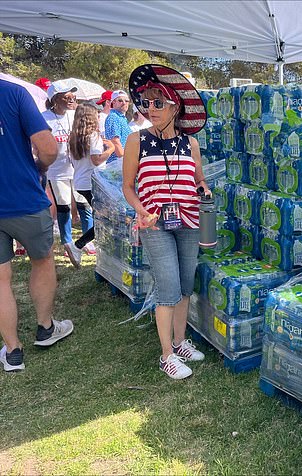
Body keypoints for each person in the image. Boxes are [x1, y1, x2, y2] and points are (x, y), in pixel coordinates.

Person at [123, 64, 210, 380]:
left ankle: (179, 341)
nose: (150, 109)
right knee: (168, 287)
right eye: (146, 102)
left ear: (176, 107)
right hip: (154, 224)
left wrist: (204, 187)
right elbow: (128, 187)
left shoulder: (191, 144)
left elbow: (199, 177)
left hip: (188, 220)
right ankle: (166, 356)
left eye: (158, 103)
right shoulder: (137, 140)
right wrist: (140, 210)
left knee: (185, 285)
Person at [0, 79, 74, 372]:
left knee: (1, 279)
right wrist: (39, 168)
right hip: (24, 198)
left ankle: (12, 349)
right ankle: (45, 327)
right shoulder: (13, 93)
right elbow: (48, 149)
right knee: (42, 261)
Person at [41, 80, 94, 256]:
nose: (72, 100)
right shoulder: (44, 118)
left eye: (73, 96)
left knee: (84, 204)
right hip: (57, 171)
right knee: (63, 206)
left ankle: (88, 241)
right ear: (56, 99)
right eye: (67, 97)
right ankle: (67, 242)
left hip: (79, 169)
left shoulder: (76, 115)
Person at [65, 104, 116, 267]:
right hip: (94, 182)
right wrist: (111, 149)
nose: (99, 117)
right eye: (96, 114)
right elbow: (96, 160)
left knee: (101, 217)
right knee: (105, 219)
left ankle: (84, 246)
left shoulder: (74, 136)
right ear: (91, 117)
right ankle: (77, 246)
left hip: (81, 181)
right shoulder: (93, 135)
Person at [104, 89, 132, 162]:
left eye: (126, 101)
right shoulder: (113, 117)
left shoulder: (121, 118)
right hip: (117, 162)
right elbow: (115, 141)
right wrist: (125, 160)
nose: (124, 103)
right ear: (113, 102)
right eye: (120, 100)